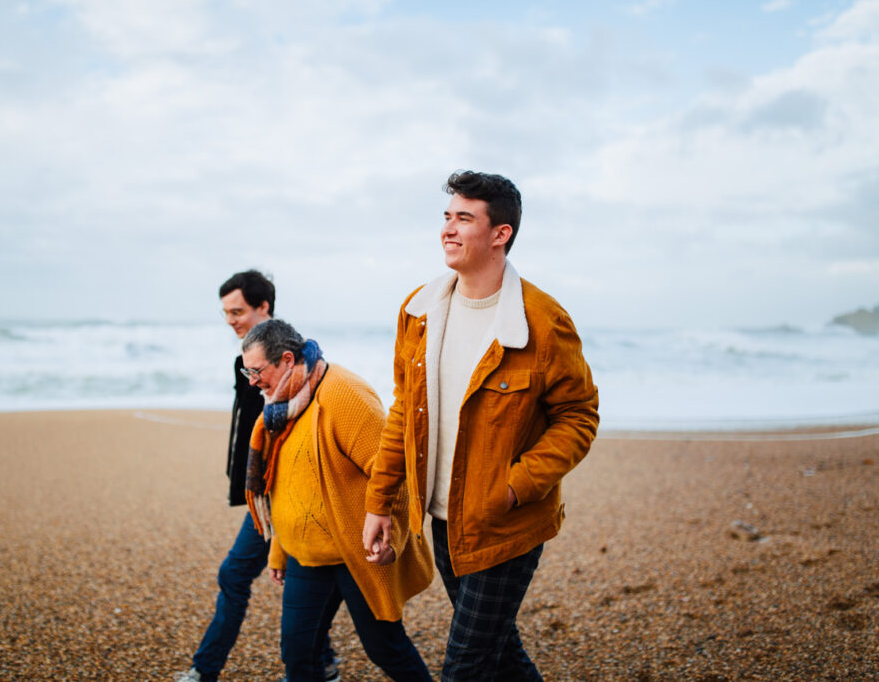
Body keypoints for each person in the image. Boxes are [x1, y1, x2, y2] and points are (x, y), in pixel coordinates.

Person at [362, 171, 599, 681]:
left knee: (465, 666)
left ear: (500, 234)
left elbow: (578, 417)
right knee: (502, 655)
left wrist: (514, 487)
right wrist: (381, 502)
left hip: (506, 523)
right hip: (443, 522)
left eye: (464, 218)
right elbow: (405, 410)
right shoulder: (419, 310)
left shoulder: (542, 320)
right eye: (447, 217)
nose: (448, 229)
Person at [242, 319, 434, 682]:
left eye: (256, 371)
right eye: (246, 370)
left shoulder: (343, 395)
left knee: (385, 649)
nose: (251, 381)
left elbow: (394, 474)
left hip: (356, 553)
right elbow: (286, 487)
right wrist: (279, 549)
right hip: (307, 556)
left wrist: (390, 538)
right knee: (298, 653)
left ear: (286, 360)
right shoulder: (282, 405)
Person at [177, 271, 339, 682]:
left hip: (283, 492)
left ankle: (204, 669)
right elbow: (246, 423)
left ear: (263, 307)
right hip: (263, 490)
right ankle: (323, 663)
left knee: (237, 575)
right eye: (226, 313)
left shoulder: (295, 362)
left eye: (238, 311)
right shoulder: (246, 360)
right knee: (306, 583)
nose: (230, 320)